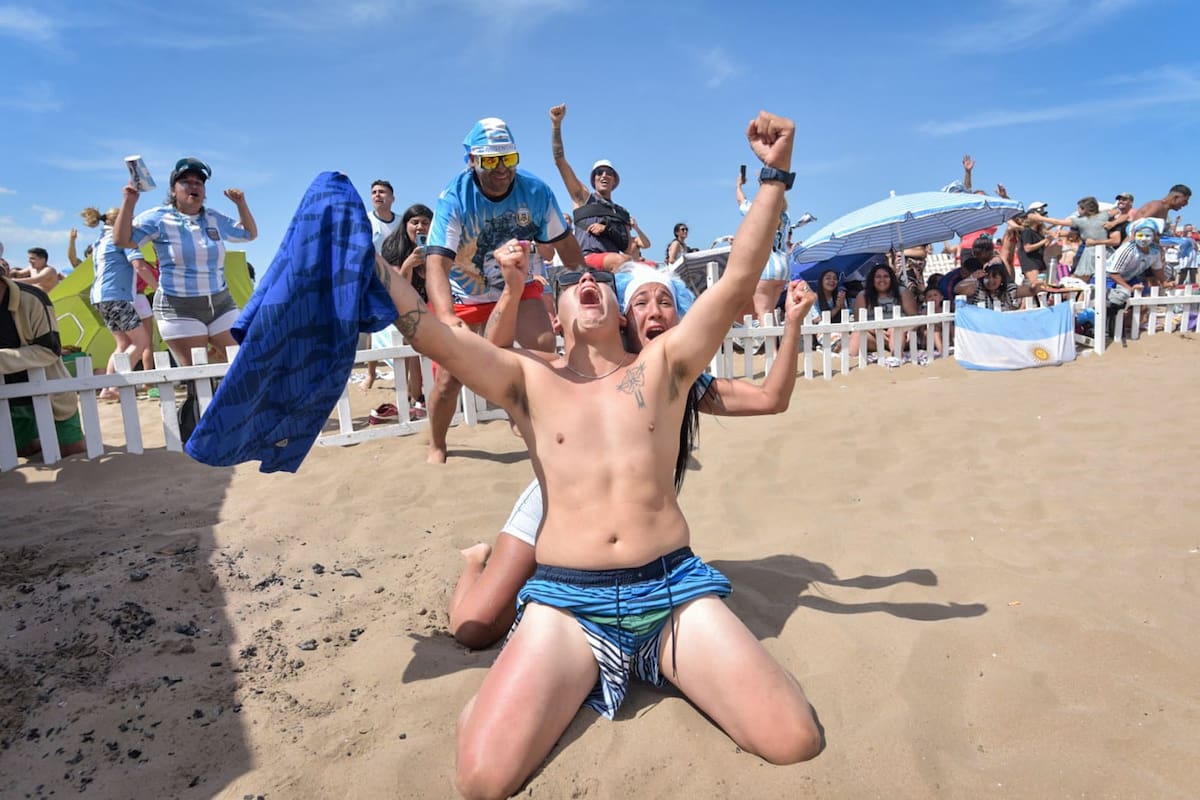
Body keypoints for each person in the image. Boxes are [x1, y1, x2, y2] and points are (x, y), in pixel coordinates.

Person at [386, 110, 820, 797]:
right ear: (555, 321)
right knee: (482, 781)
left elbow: (737, 282)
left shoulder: (665, 370)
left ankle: (643, 666)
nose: (584, 282)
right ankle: (519, 677)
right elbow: (431, 335)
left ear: (620, 315)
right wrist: (369, 265)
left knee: (794, 740)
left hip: (670, 589)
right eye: (570, 285)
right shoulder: (529, 380)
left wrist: (772, 175)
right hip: (568, 599)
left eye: (597, 283)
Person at [449, 264, 816, 648]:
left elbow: (772, 399)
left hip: (623, 539)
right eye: (642, 302)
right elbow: (496, 354)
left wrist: (793, 324)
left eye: (665, 302)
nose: (655, 311)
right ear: (622, 317)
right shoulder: (574, 371)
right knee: (476, 627)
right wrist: (513, 288)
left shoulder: (681, 380)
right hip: (556, 504)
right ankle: (477, 559)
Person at [422, 116, 585, 464]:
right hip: (466, 295)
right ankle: (437, 443)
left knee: (543, 351)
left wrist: (587, 283)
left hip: (517, 285)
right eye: (490, 160)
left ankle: (545, 426)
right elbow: (436, 263)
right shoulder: (454, 197)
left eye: (508, 159)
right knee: (450, 379)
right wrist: (448, 318)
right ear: (471, 161)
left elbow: (569, 250)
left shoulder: (536, 192)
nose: (501, 169)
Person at [114, 157, 257, 367]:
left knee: (244, 363)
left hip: (220, 303)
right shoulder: (158, 218)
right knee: (199, 376)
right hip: (179, 307)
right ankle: (199, 397)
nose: (193, 186)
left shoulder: (213, 218)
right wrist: (129, 201)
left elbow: (249, 234)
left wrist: (241, 204)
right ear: (173, 190)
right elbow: (122, 240)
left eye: (198, 182)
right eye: (186, 182)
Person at [1, 261, 87, 459]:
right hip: (8, 398)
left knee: (72, 450)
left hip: (49, 389)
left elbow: (49, 350)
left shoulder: (31, 297)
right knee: (20, 450)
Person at [548, 104, 648, 272]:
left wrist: (610, 229)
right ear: (593, 179)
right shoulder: (583, 197)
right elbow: (559, 160)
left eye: (608, 173)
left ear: (614, 180)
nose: (604, 175)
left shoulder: (621, 213)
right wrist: (556, 125)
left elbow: (629, 248)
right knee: (623, 262)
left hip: (615, 262)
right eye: (599, 172)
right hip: (586, 260)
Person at [89, 208, 158, 401]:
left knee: (124, 343)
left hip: (100, 297)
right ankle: (116, 383)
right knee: (141, 341)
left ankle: (107, 389)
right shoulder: (122, 239)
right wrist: (158, 288)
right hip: (116, 296)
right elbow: (139, 266)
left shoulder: (100, 240)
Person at [376, 203, 434, 405]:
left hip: (428, 303)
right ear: (406, 224)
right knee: (409, 338)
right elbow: (397, 288)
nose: (420, 227)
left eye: (425, 223)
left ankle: (418, 394)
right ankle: (415, 393)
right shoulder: (393, 246)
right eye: (415, 222)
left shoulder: (437, 245)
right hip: (400, 302)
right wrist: (409, 264)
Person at [735, 168, 791, 324]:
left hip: (767, 264)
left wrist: (738, 185)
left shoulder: (760, 211)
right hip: (783, 265)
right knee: (770, 312)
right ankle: (775, 346)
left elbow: (742, 202)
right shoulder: (785, 216)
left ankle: (771, 349)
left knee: (763, 312)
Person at [1029, 197, 1117, 281]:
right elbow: (1115, 210)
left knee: (1077, 279)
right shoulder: (1102, 218)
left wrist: (1040, 218)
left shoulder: (1083, 221)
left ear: (1083, 209)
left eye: (1078, 208)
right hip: (1104, 252)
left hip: (1089, 253)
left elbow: (1058, 221)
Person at [849, 263, 918, 357]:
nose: (882, 280)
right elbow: (858, 323)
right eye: (878, 277)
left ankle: (896, 358)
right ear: (872, 279)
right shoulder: (863, 295)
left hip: (900, 335)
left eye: (886, 276)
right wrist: (876, 331)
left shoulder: (902, 292)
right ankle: (849, 362)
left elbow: (915, 318)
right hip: (874, 336)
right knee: (857, 334)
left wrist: (906, 329)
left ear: (892, 278)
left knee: (895, 329)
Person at [955, 261, 1035, 311]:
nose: (991, 280)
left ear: (1002, 279)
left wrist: (1040, 286)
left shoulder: (1009, 290)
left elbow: (1031, 291)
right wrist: (972, 277)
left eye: (995, 277)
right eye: (987, 277)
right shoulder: (976, 289)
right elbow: (957, 289)